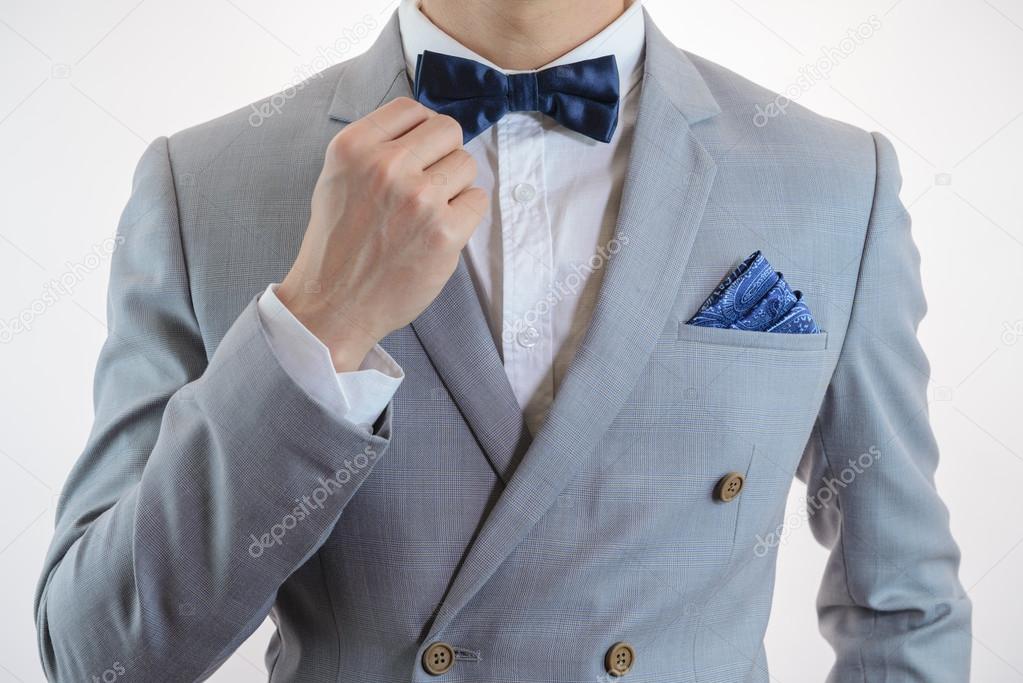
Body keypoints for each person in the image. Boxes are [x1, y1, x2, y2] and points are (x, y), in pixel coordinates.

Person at [35, 0, 971, 680]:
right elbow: (96, 657)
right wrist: (319, 320)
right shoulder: (203, 185)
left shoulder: (835, 182)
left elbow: (903, 607)